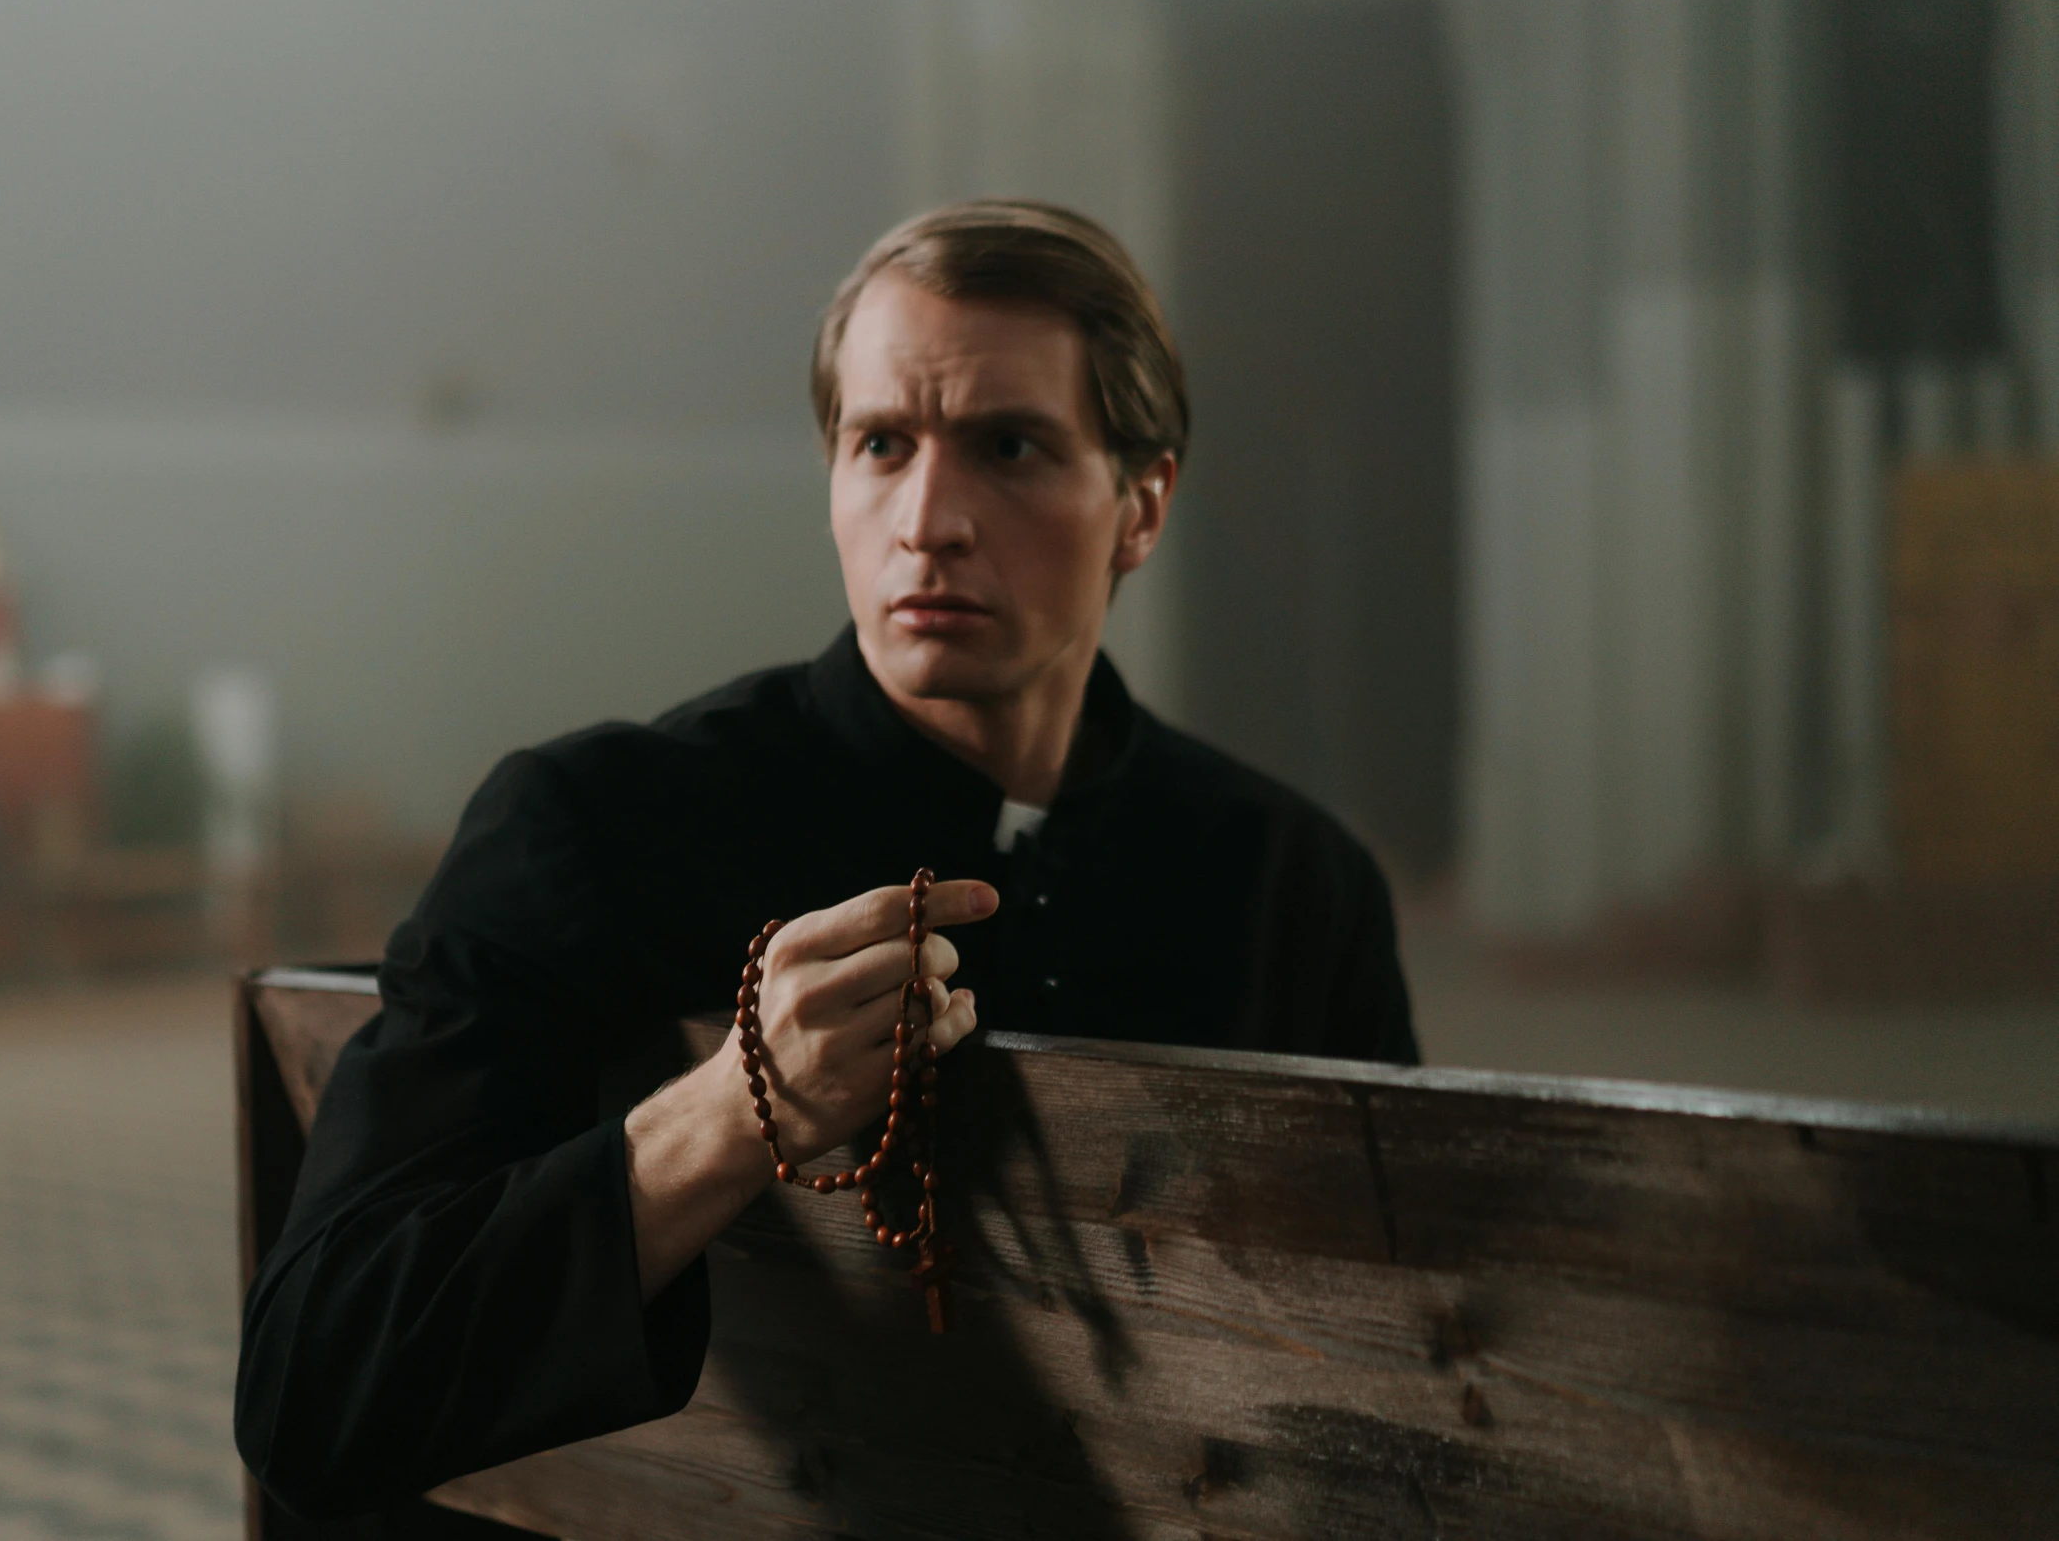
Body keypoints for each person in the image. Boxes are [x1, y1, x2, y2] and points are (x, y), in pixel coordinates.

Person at [235, 199, 1418, 1518]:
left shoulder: (1290, 881)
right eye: (880, 444)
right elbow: (309, 1382)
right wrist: (731, 1110)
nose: (928, 518)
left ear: (1139, 508)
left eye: (1009, 446)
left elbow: (1416, 1368)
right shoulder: (595, 823)